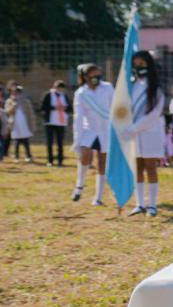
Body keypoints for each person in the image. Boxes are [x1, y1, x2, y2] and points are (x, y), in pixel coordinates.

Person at [122, 51, 165, 217]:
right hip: (133, 135)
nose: (138, 68)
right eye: (136, 65)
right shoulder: (131, 86)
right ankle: (139, 204)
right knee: (137, 168)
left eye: (142, 64)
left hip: (149, 132)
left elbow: (154, 114)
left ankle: (152, 205)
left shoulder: (155, 87)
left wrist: (134, 128)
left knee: (150, 167)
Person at [71, 64, 113, 205]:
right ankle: (79, 186)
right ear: (85, 77)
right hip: (89, 130)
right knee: (85, 157)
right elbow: (78, 117)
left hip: (106, 131)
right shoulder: (81, 93)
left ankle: (98, 197)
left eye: (97, 74)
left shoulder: (108, 88)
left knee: (102, 162)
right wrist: (77, 140)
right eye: (92, 75)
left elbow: (115, 107)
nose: (96, 77)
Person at [40, 80, 72, 167]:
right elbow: (43, 107)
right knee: (50, 142)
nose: (60, 90)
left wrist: (65, 108)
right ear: (55, 87)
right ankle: (50, 160)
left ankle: (60, 161)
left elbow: (70, 108)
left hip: (61, 122)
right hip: (50, 122)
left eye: (62, 89)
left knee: (60, 142)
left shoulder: (64, 96)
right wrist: (54, 107)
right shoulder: (48, 95)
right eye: (59, 88)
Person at [4, 81, 36, 163]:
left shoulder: (25, 101)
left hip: (24, 122)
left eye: (18, 92)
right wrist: (13, 105)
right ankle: (16, 156)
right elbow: (7, 111)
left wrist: (32, 122)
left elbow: (30, 112)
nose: (16, 94)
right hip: (14, 123)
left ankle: (28, 156)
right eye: (15, 92)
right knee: (16, 141)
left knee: (26, 140)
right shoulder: (9, 101)